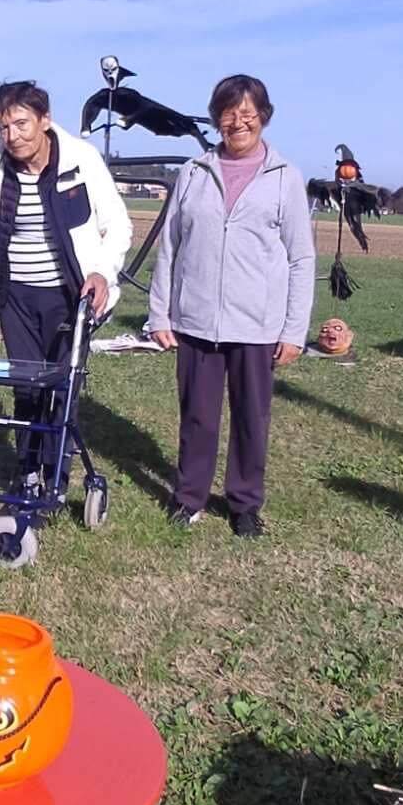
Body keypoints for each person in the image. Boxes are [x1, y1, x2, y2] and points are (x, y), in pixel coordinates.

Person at [148, 73, 314, 537]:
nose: (239, 122)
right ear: (216, 118)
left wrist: (294, 330)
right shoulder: (193, 172)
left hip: (257, 325)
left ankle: (244, 504)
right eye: (228, 113)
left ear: (264, 117)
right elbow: (170, 246)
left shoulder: (285, 177)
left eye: (248, 113)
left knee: (250, 419)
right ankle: (189, 497)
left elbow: (301, 258)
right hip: (196, 320)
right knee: (197, 417)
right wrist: (160, 313)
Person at [0, 80, 131, 478]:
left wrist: (102, 273)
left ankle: (56, 474)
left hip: (70, 294)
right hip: (15, 296)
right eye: (4, 127)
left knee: (61, 385)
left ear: (45, 120)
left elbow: (118, 224)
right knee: (26, 385)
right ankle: (28, 472)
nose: (12, 136)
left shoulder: (81, 159)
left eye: (22, 124)